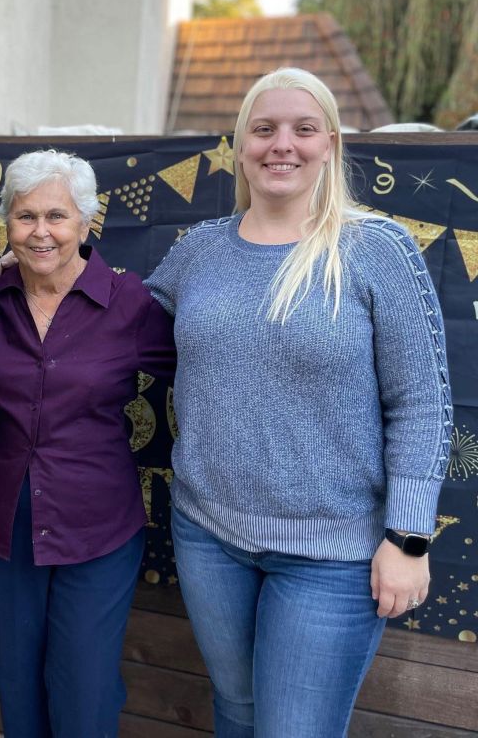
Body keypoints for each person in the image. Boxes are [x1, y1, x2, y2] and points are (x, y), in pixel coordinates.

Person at [144, 68, 452, 738]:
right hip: (208, 534)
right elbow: (114, 322)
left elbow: (422, 403)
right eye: (264, 128)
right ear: (241, 145)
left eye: (303, 129)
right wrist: (36, 269)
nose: (282, 144)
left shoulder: (376, 249)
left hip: (333, 553)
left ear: (330, 145)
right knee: (238, 710)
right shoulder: (200, 251)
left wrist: (408, 536)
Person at [0, 149, 175, 738]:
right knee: (18, 677)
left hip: (97, 525)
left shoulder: (129, 303)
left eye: (57, 216)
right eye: (25, 217)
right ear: (7, 225)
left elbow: (205, 374)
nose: (41, 232)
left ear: (86, 222)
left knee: (84, 685)